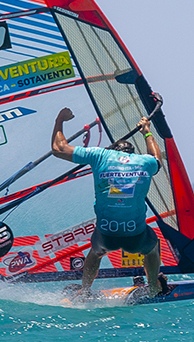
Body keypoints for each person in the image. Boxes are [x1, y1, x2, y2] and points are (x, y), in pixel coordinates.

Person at [51, 107, 168, 296]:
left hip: (106, 235)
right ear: (132, 153)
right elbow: (157, 158)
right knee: (152, 247)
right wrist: (146, 130)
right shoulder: (144, 162)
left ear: (111, 150)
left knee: (96, 252)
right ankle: (154, 286)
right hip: (136, 235)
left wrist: (60, 120)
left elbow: (59, 149)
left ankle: (85, 291)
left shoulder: (100, 155)